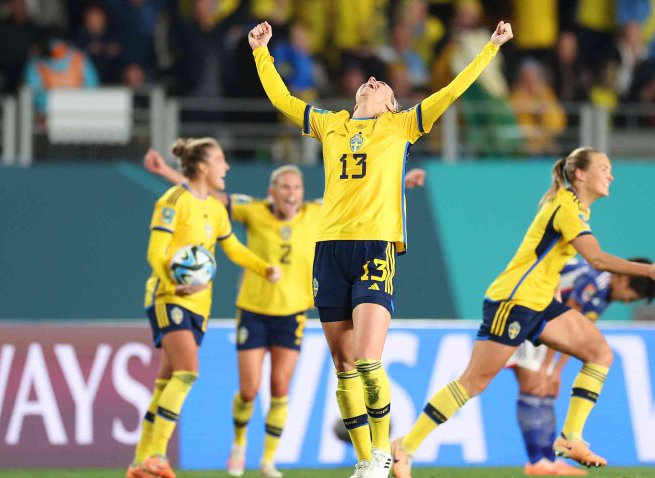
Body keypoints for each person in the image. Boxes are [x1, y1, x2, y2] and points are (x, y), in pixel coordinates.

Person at [248, 17, 500, 478]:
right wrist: (261, 52)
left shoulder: (401, 127)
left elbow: (451, 92)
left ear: (390, 105)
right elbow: (283, 100)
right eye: (369, 79)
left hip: (374, 247)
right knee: (343, 365)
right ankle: (365, 460)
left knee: (366, 359)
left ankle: (383, 453)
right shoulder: (330, 125)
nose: (372, 80)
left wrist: (490, 47)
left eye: (381, 83)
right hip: (328, 250)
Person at [390, 147, 655, 478]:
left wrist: (553, 286)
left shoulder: (578, 209)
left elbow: (552, 259)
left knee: (599, 353)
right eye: (604, 168)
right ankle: (405, 446)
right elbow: (596, 259)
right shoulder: (567, 207)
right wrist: (647, 271)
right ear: (581, 174)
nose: (611, 175)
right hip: (513, 301)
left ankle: (570, 437)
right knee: (474, 382)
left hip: (539, 303)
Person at [144, 152, 427, 478]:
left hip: (292, 314)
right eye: (284, 187)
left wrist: (402, 183)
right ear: (273, 191)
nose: (291, 193)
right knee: (249, 390)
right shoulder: (254, 210)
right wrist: (166, 170)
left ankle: (268, 461)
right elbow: (208, 194)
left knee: (280, 386)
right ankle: (239, 444)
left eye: (296, 187)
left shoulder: (315, 212)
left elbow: (362, 194)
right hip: (252, 311)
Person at [127, 138, 280, 478]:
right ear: (201, 167)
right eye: (220, 160)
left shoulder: (213, 206)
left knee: (166, 382)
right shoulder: (172, 201)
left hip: (199, 303)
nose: (226, 167)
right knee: (188, 372)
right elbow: (156, 252)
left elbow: (235, 249)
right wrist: (172, 283)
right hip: (169, 297)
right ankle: (156, 456)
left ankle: (139, 463)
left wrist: (264, 267)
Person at [511, 257, 655, 477]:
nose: (628, 301)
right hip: (522, 311)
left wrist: (556, 371)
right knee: (533, 382)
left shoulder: (604, 294)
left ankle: (548, 461)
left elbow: (576, 335)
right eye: (632, 295)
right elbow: (561, 322)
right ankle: (536, 462)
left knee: (548, 388)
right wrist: (547, 367)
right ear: (622, 278)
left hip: (541, 321)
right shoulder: (594, 281)